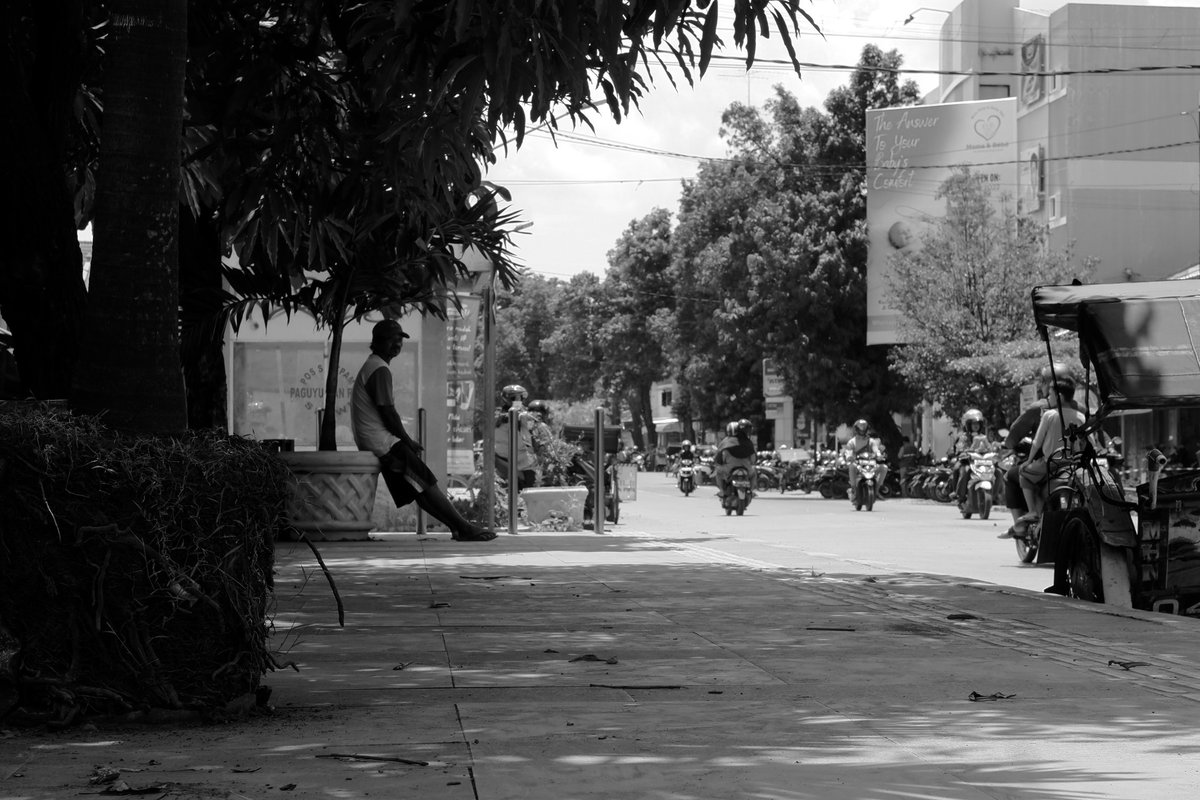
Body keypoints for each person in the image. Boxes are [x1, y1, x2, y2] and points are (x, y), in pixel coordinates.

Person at [351, 319, 496, 541]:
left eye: (399, 340)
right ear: (378, 342)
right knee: (426, 483)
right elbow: (388, 413)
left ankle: (458, 528)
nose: (397, 344)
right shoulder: (379, 369)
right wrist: (407, 441)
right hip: (382, 442)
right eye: (392, 340)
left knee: (418, 487)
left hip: (375, 440)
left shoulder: (375, 366)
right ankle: (463, 528)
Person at [1017, 374, 1087, 521]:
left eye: (1050, 395)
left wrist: (1028, 462)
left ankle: (1032, 511)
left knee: (1022, 474)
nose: (1049, 398)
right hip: (1072, 464)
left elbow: (1037, 442)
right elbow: (1086, 441)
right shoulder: (1081, 417)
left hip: (1050, 463)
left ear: (1059, 397)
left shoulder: (1049, 415)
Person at [495, 384, 539, 489]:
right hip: (515, 461)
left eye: (521, 398)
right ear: (507, 399)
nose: (519, 401)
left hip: (514, 459)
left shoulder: (500, 416)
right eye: (515, 398)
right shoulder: (514, 417)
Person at [843, 419, 887, 501]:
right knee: (852, 467)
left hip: (871, 464)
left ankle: (877, 489)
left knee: (884, 467)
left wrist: (879, 455)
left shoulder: (871, 441)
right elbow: (848, 452)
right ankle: (853, 489)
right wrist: (849, 457)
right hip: (858, 464)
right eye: (860, 427)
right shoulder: (852, 442)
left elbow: (876, 450)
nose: (862, 429)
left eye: (864, 427)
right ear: (856, 429)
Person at [953, 409, 990, 506]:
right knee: (963, 470)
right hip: (967, 462)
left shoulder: (983, 436)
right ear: (968, 425)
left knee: (997, 471)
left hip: (982, 462)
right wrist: (963, 452)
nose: (976, 426)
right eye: (973, 424)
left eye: (978, 423)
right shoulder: (963, 437)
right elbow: (960, 448)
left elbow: (989, 446)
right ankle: (959, 495)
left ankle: (996, 494)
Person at [714, 419, 756, 500]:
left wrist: (719, 463)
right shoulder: (749, 442)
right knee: (754, 472)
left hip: (729, 468)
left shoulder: (726, 441)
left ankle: (722, 491)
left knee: (718, 472)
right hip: (746, 467)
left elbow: (719, 457)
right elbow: (753, 459)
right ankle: (751, 491)